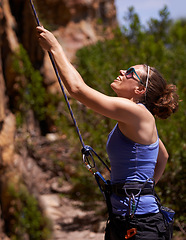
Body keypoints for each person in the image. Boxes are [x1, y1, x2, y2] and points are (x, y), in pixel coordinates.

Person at [36, 26, 179, 240]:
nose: (122, 72)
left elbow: (77, 89)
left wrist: (55, 47)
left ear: (139, 91)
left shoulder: (135, 113)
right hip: (131, 220)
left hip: (139, 224)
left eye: (130, 73)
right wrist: (142, 190)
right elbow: (163, 156)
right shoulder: (139, 117)